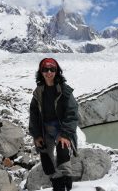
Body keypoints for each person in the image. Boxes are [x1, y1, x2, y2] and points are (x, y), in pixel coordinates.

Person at [29, 58, 79, 191]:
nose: (49, 72)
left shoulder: (64, 90)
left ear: (57, 72)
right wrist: (37, 135)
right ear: (41, 72)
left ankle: (67, 180)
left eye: (52, 69)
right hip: (45, 129)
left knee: (63, 151)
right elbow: (34, 114)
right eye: (45, 69)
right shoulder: (38, 91)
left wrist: (65, 134)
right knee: (46, 161)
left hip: (61, 128)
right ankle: (56, 183)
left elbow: (72, 113)